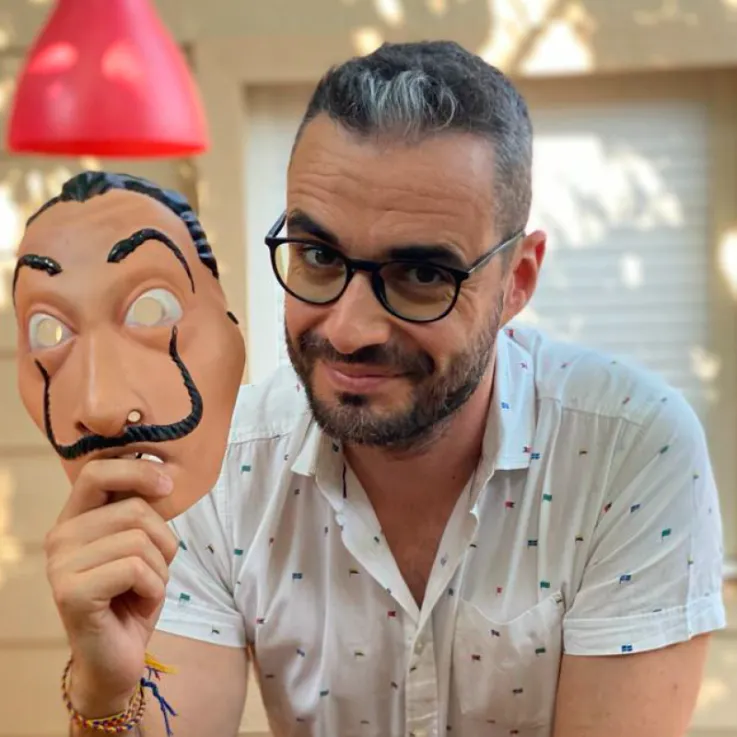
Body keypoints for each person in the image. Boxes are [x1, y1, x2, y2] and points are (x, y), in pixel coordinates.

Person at [40, 41, 725, 737]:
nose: (348, 329)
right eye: (317, 256)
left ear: (516, 281)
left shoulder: (627, 449)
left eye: (422, 274)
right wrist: (104, 690)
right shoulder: (218, 464)